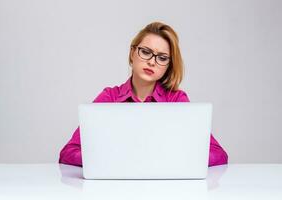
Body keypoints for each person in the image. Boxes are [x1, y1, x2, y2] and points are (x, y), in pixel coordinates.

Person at [59, 21, 228, 167]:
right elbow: (68, 152)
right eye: (146, 52)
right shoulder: (109, 98)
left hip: (166, 188)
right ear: (133, 53)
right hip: (115, 187)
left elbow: (218, 154)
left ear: (168, 66)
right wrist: (111, 159)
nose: (152, 61)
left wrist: (169, 159)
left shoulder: (176, 100)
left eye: (162, 58)